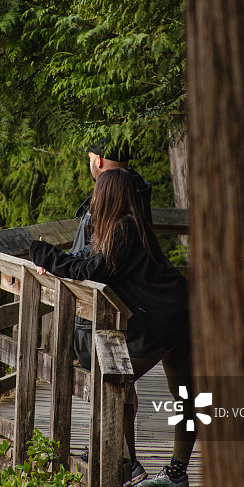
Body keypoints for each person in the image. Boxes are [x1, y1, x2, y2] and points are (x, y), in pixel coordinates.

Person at [30, 168, 196, 487]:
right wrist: (55, 259)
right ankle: (173, 471)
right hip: (184, 312)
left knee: (113, 383)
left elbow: (88, 269)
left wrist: (42, 252)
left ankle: (127, 463)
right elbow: (90, 260)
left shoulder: (123, 230)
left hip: (168, 322)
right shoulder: (131, 227)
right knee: (184, 397)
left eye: (96, 193)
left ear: (107, 196)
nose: (92, 199)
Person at [69, 141, 152, 371]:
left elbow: (96, 256)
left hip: (106, 313)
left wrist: (56, 259)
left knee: (107, 385)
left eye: (89, 158)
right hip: (123, 310)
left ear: (98, 161)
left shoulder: (116, 200)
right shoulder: (136, 193)